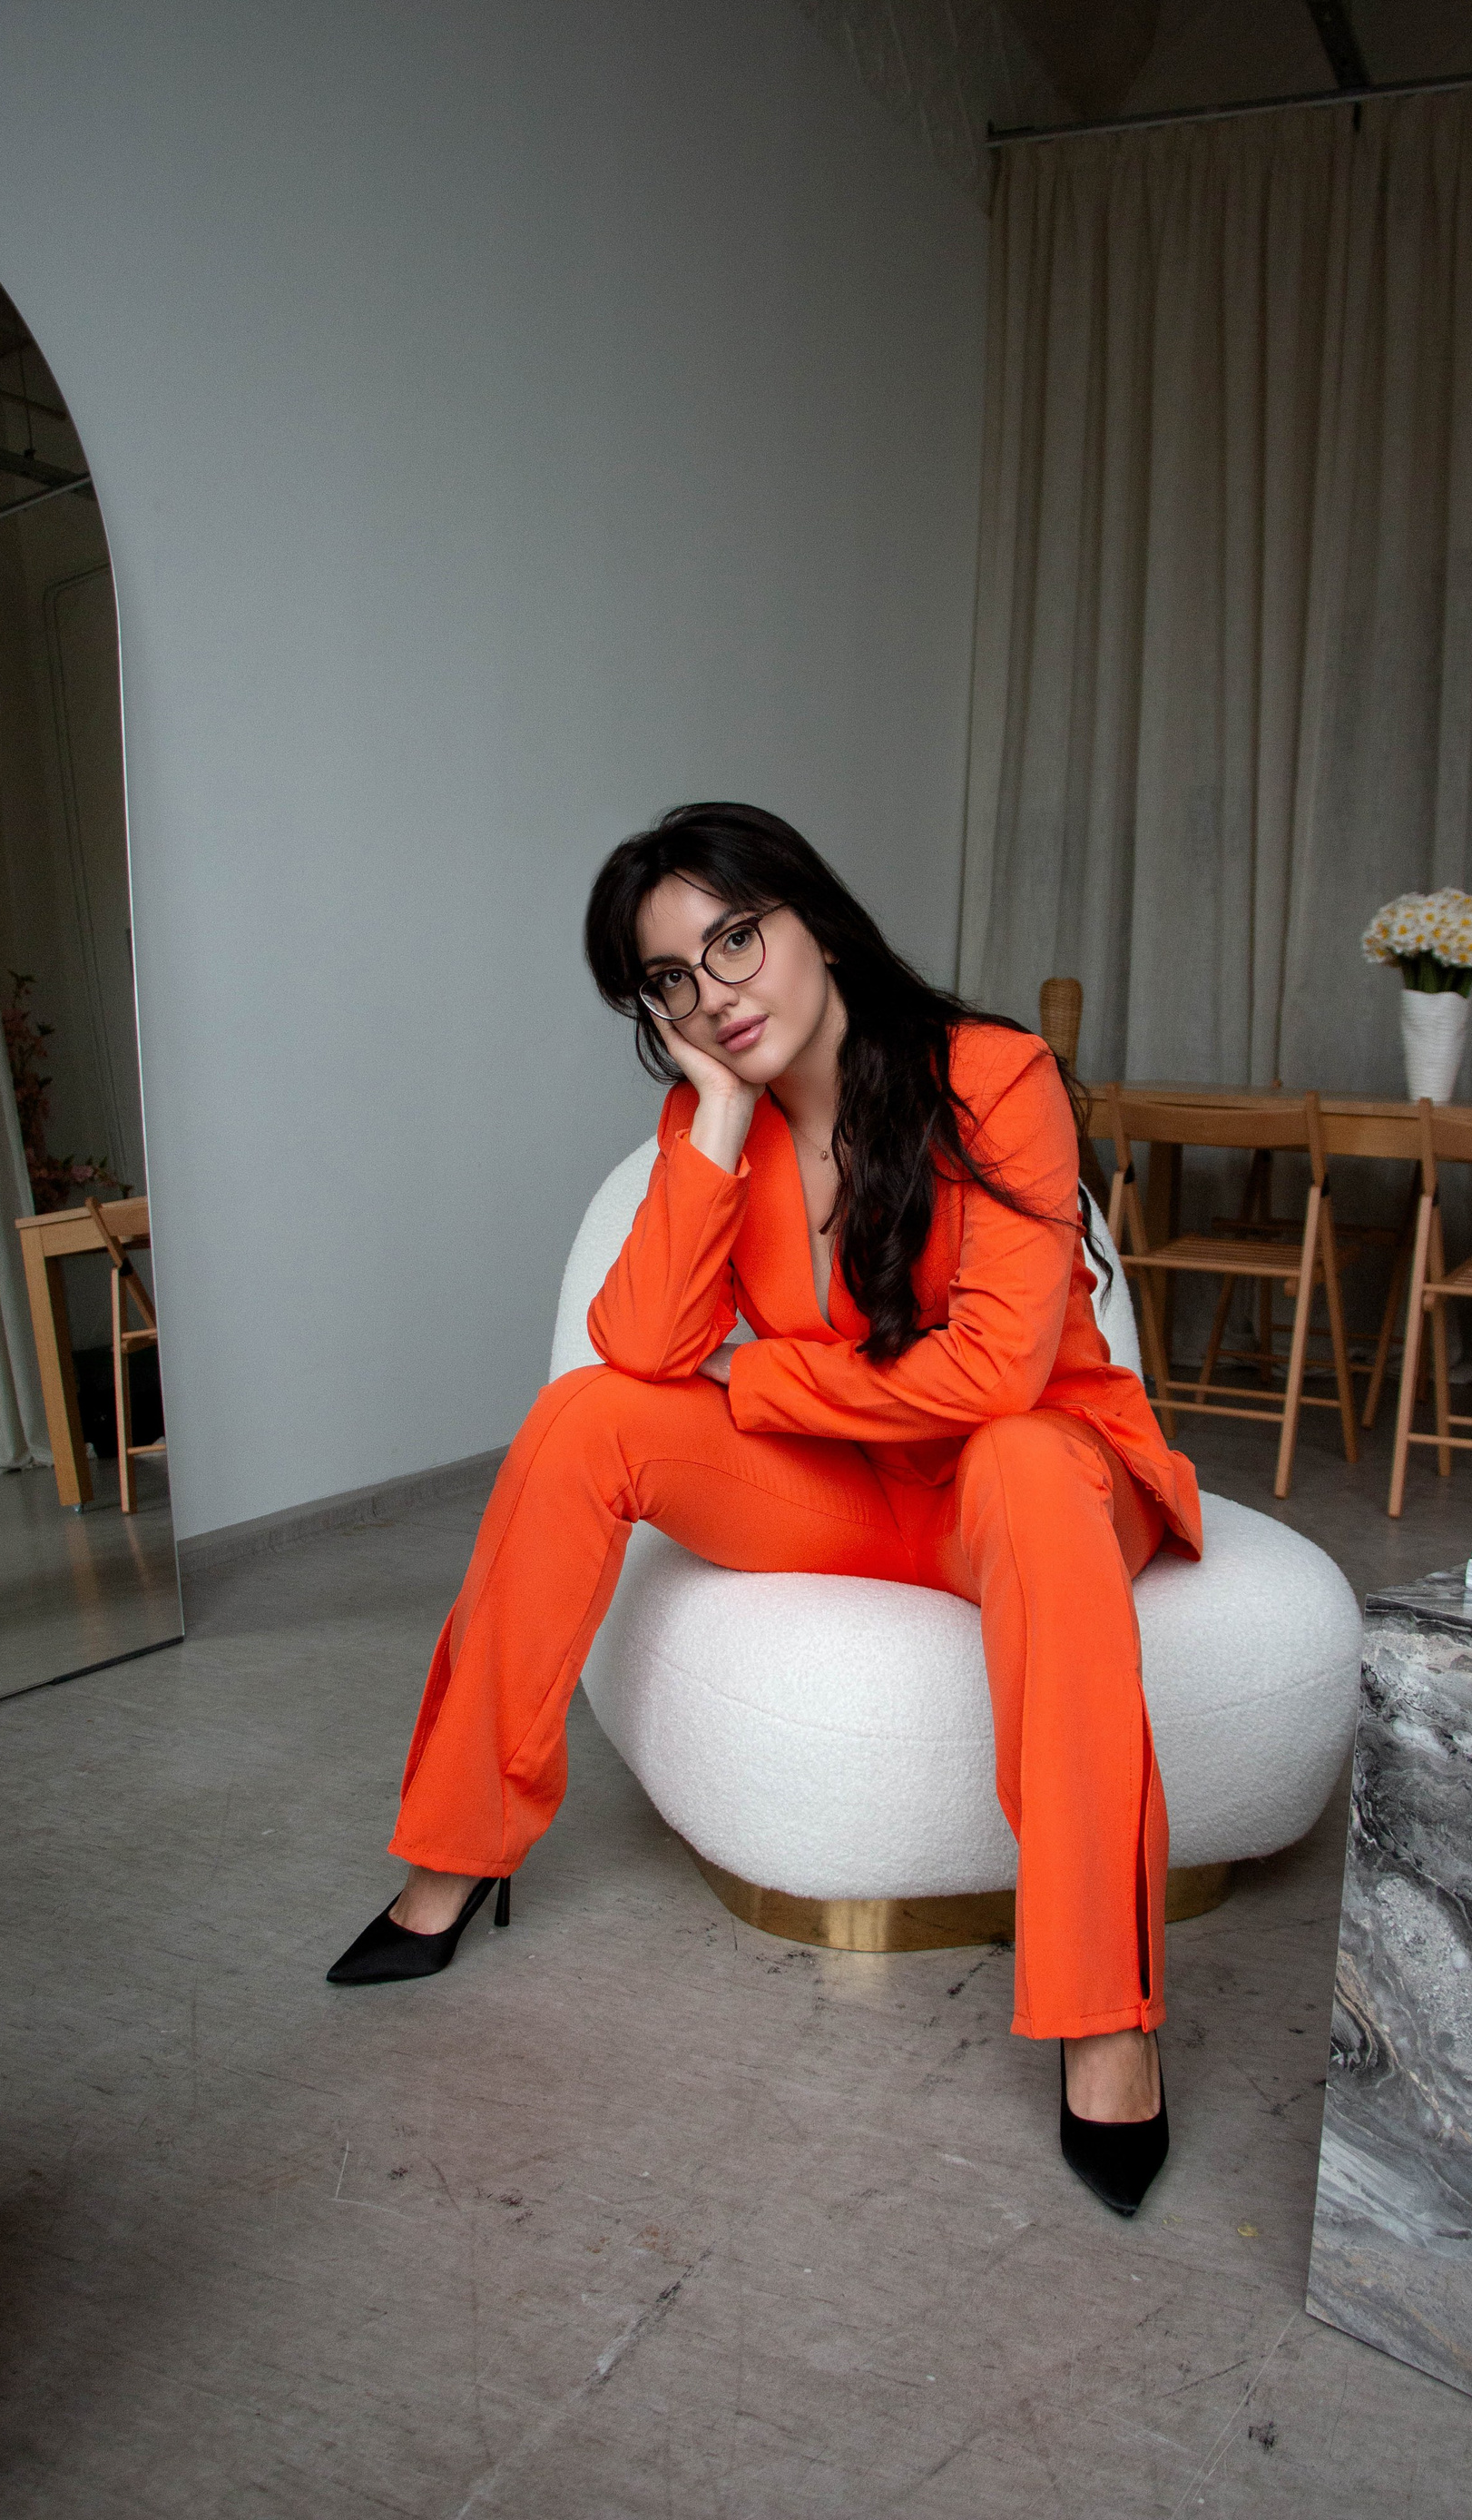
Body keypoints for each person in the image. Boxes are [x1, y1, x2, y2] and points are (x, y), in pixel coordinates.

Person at [328, 802, 1202, 2217]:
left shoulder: (994, 1075)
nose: (714, 994)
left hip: (1040, 1482)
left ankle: (1108, 2015)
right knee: (582, 1417)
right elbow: (640, 1351)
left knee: (1025, 1461)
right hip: (861, 1491)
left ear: (818, 922)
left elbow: (997, 1374)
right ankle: (452, 1855)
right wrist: (720, 1121)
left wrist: (775, 1377)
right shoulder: (707, 1119)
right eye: (670, 979)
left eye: (734, 939)